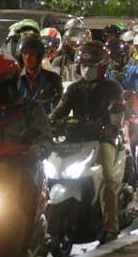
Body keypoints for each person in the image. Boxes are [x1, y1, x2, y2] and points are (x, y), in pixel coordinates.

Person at [0, 54, 52, 255]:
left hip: (22, 169)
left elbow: (45, 139)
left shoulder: (31, 109)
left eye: (3, 81)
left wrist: (35, 150)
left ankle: (25, 244)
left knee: (28, 198)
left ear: (14, 80)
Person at [49, 42, 124, 244]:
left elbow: (117, 111)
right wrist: (49, 124)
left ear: (102, 67)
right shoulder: (74, 89)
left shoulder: (112, 88)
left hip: (102, 140)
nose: (87, 69)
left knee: (108, 177)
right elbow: (60, 111)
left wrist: (111, 126)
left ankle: (111, 226)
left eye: (91, 65)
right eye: (83, 64)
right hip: (76, 140)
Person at [17, 32, 63, 114]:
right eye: (25, 53)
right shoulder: (15, 80)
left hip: (46, 123)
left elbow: (58, 109)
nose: (28, 57)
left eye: (32, 53)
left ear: (39, 55)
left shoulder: (54, 79)